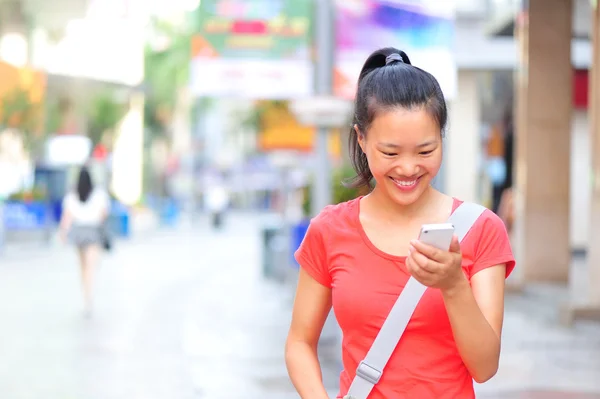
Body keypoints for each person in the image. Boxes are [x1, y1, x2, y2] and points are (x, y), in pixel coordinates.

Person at [285, 47, 516, 399]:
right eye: (390, 153)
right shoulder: (329, 230)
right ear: (361, 139)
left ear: (442, 136)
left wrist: (453, 284)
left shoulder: (481, 229)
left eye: (425, 151)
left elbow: (485, 368)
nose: (408, 168)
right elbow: (300, 342)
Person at [59, 166, 110, 317]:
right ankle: (88, 298)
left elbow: (67, 217)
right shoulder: (99, 195)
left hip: (78, 232)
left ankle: (85, 297)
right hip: (93, 231)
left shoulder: (72, 195)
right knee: (90, 267)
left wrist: (63, 233)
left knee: (83, 267)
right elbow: (103, 214)